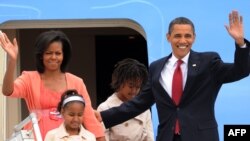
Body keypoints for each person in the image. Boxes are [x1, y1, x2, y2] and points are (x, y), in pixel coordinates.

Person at [96, 10, 250, 141]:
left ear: (194, 38)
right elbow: (139, 103)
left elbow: (240, 71)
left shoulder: (208, 62)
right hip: (168, 137)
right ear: (168, 37)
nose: (183, 40)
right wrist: (102, 116)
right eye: (177, 36)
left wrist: (240, 43)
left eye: (188, 36)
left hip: (201, 136)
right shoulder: (156, 67)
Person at [0, 30, 105, 141]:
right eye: (48, 53)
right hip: (37, 137)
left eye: (58, 53)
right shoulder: (29, 78)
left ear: (64, 55)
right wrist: (12, 61)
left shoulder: (77, 82)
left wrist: (101, 138)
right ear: (41, 55)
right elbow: (7, 91)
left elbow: (89, 118)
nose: (53, 57)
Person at [97, 58, 154, 141]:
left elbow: (149, 138)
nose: (134, 91)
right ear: (120, 82)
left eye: (137, 87)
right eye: (130, 86)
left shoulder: (144, 109)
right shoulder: (104, 108)